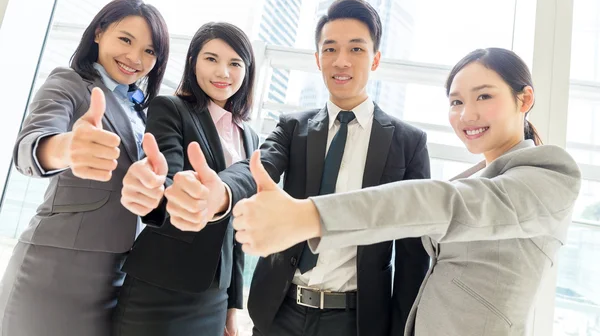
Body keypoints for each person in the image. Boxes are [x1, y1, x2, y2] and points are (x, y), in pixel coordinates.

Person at [233, 47, 582, 336]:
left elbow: (441, 204)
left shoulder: (549, 173)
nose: (467, 114)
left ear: (525, 99)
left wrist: (309, 217)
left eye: (484, 96)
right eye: (456, 102)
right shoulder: (476, 177)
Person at [193, 0, 430, 336]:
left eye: (356, 50)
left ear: (375, 59)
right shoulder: (293, 127)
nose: (342, 61)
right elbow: (258, 165)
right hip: (279, 311)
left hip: (355, 320)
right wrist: (223, 190)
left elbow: (412, 256)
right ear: (318, 60)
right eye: (330, 49)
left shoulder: (408, 143)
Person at [0, 0, 170, 336]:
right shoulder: (70, 83)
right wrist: (66, 148)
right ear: (99, 32)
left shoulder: (141, 112)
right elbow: (28, 147)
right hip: (56, 270)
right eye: (125, 39)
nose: (135, 59)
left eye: (150, 52)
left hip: (117, 274)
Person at [115, 22, 259, 336]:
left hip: (214, 296)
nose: (223, 72)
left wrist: (234, 306)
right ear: (193, 61)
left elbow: (236, 230)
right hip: (160, 288)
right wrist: (161, 192)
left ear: (247, 71)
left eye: (235, 63)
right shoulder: (171, 108)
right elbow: (167, 179)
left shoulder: (250, 136)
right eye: (211, 59)